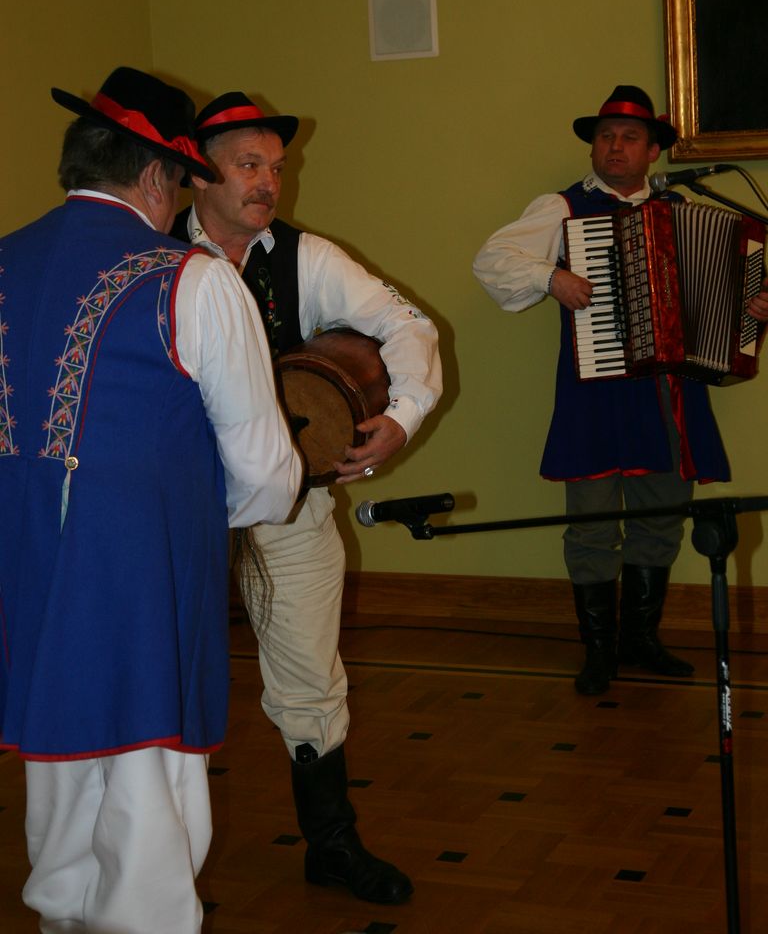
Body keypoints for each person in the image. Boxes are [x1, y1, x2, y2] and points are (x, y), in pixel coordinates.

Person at [0, 68, 303, 934]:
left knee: (58, 778)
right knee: (150, 797)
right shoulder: (193, 280)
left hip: (26, 575)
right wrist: (196, 513)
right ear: (156, 177)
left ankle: (63, 918)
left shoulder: (4, 260)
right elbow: (267, 472)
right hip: (142, 581)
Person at [171, 91, 442, 905]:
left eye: (276, 167)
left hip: (287, 503)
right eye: (248, 165)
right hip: (173, 507)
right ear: (198, 174)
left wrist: (402, 417)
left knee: (308, 676)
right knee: (162, 672)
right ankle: (155, 863)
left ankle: (331, 846)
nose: (268, 183)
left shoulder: (306, 258)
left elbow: (408, 325)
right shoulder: (149, 252)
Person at [472, 85, 768, 697]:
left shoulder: (682, 207)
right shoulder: (563, 208)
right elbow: (492, 260)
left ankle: (641, 639)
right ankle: (599, 650)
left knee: (661, 520)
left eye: (630, 137)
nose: (615, 146)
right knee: (592, 526)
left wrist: (755, 308)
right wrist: (550, 277)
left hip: (671, 394)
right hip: (596, 394)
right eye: (605, 136)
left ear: (653, 152)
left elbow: (729, 293)